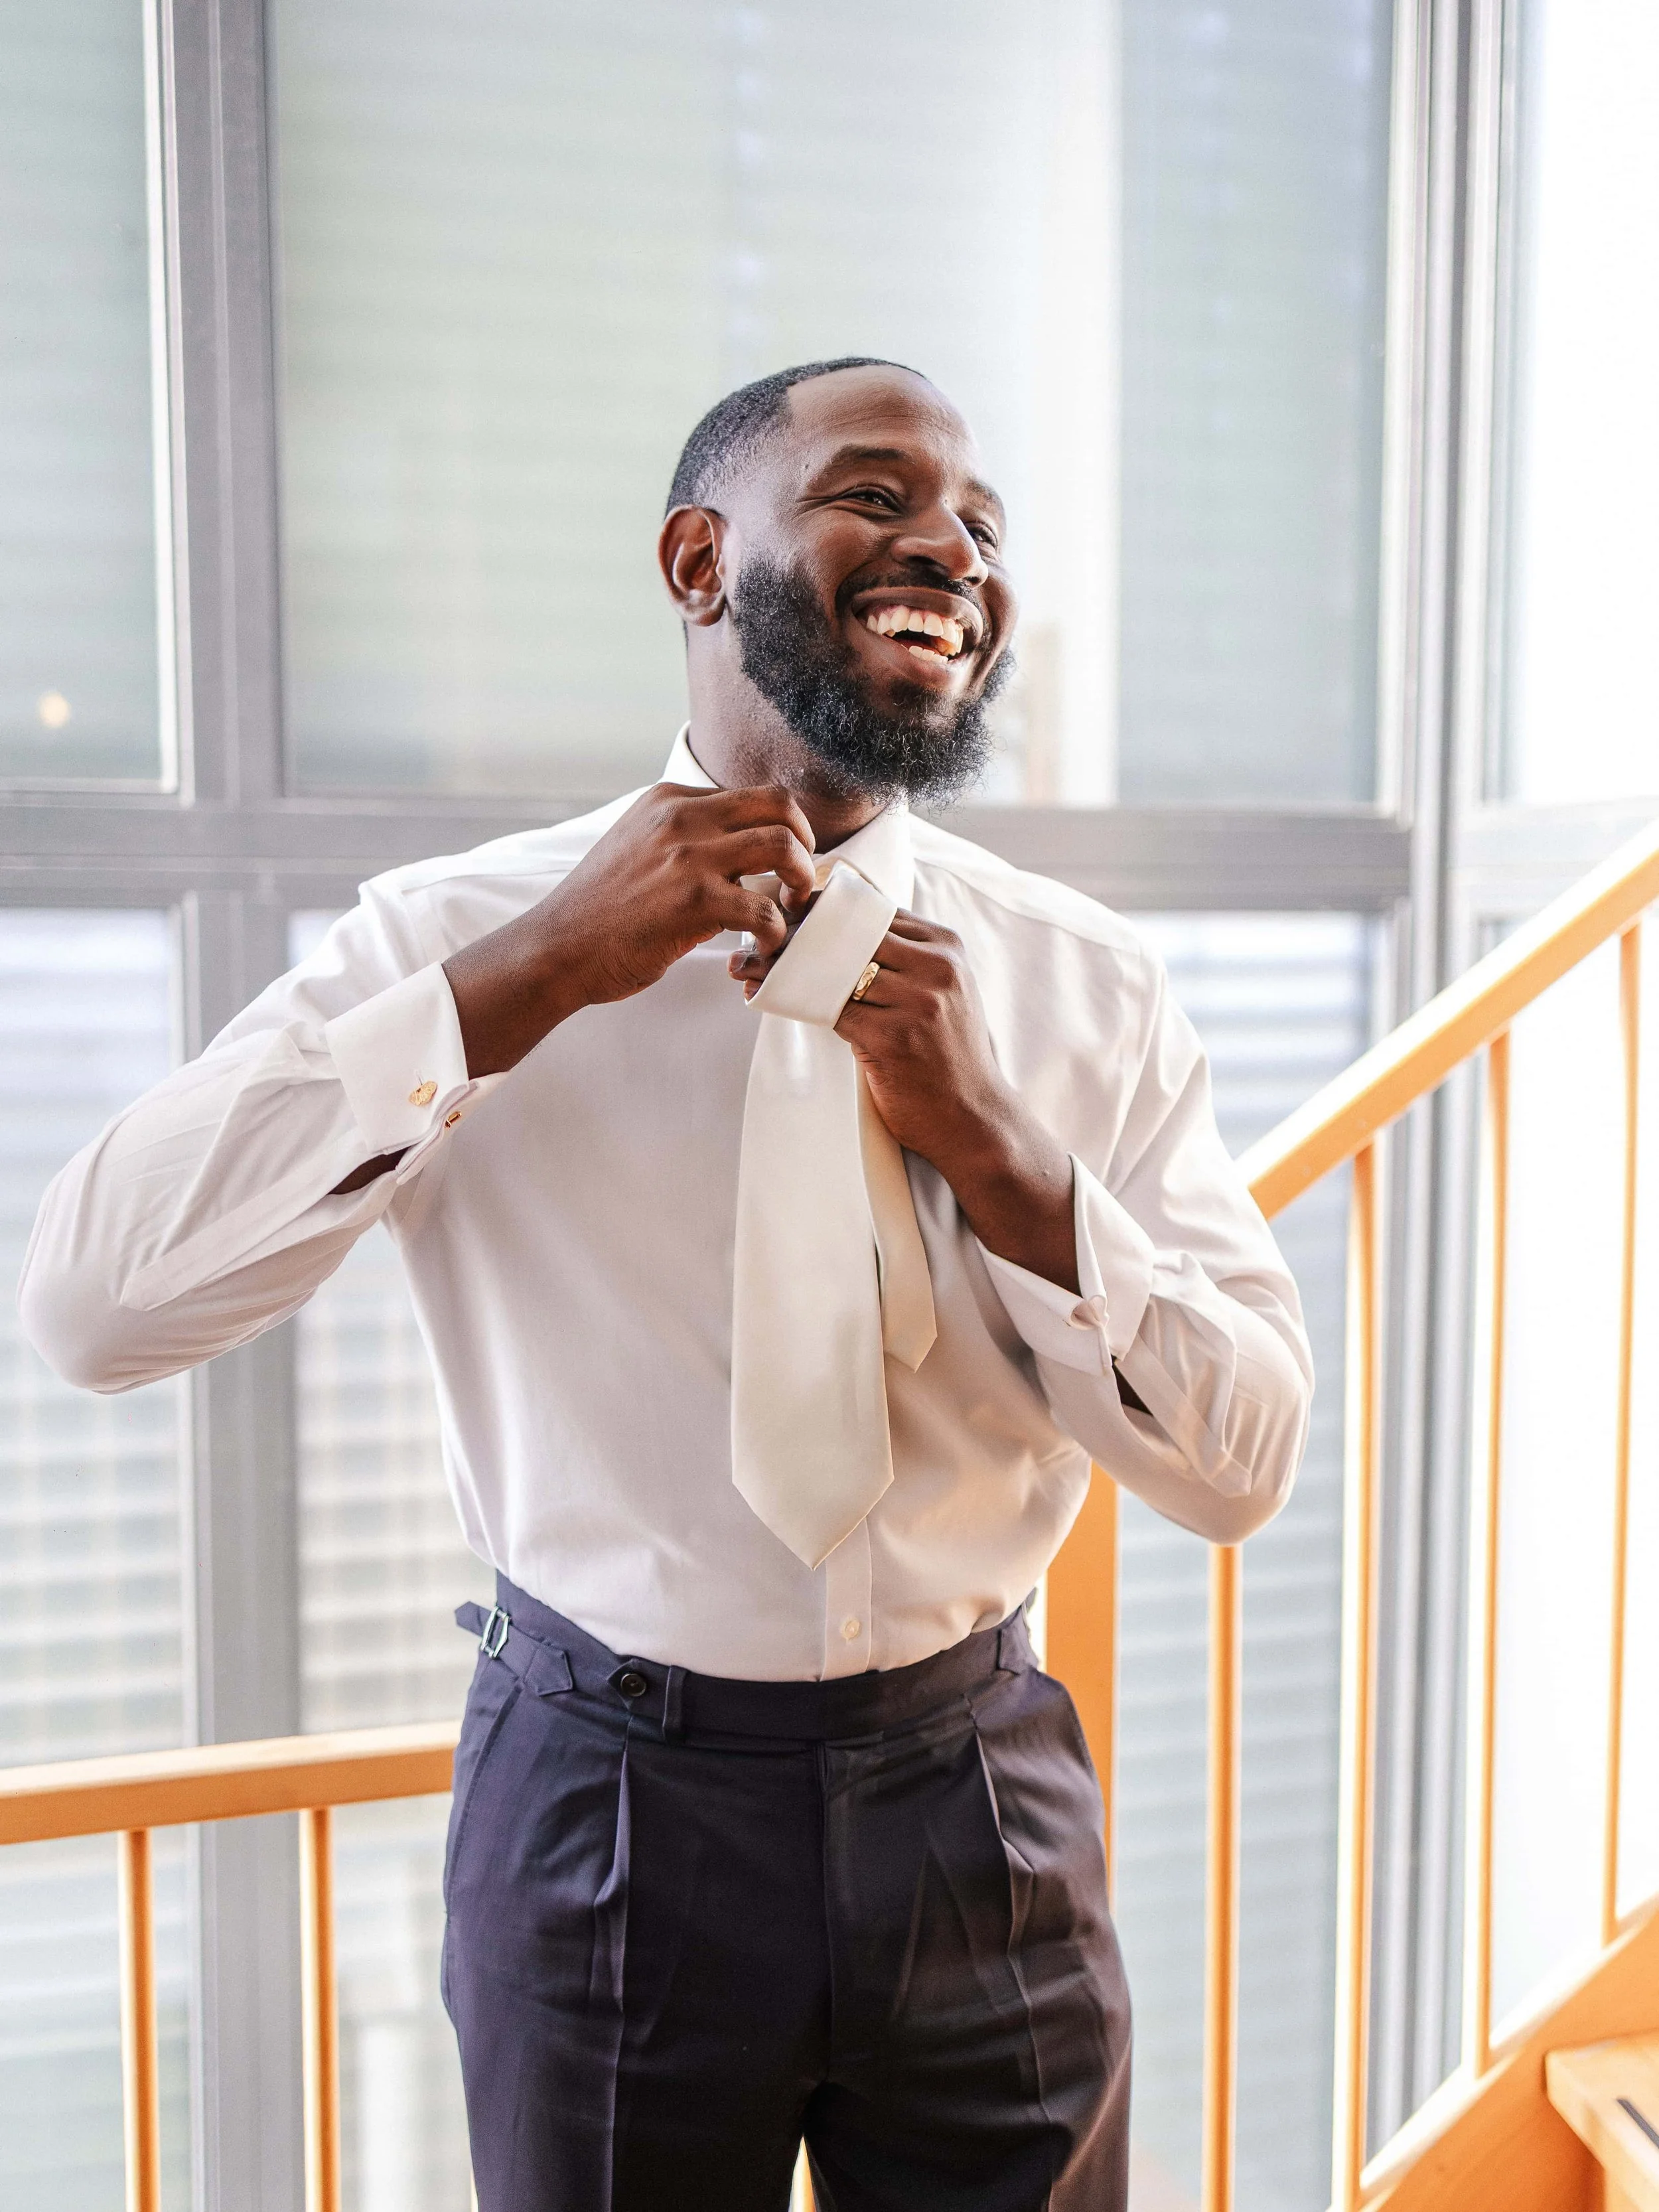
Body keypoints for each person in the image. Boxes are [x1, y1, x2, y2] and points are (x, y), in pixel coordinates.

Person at [21, 357, 1311, 2211]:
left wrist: (1003, 1151)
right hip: (605, 1797)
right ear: (700, 559)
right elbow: (91, 1303)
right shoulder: (450, 938)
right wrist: (521, 981)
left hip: (978, 1800)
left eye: (985, 525)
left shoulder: (1081, 988)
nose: (950, 544)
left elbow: (1239, 1459)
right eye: (877, 493)